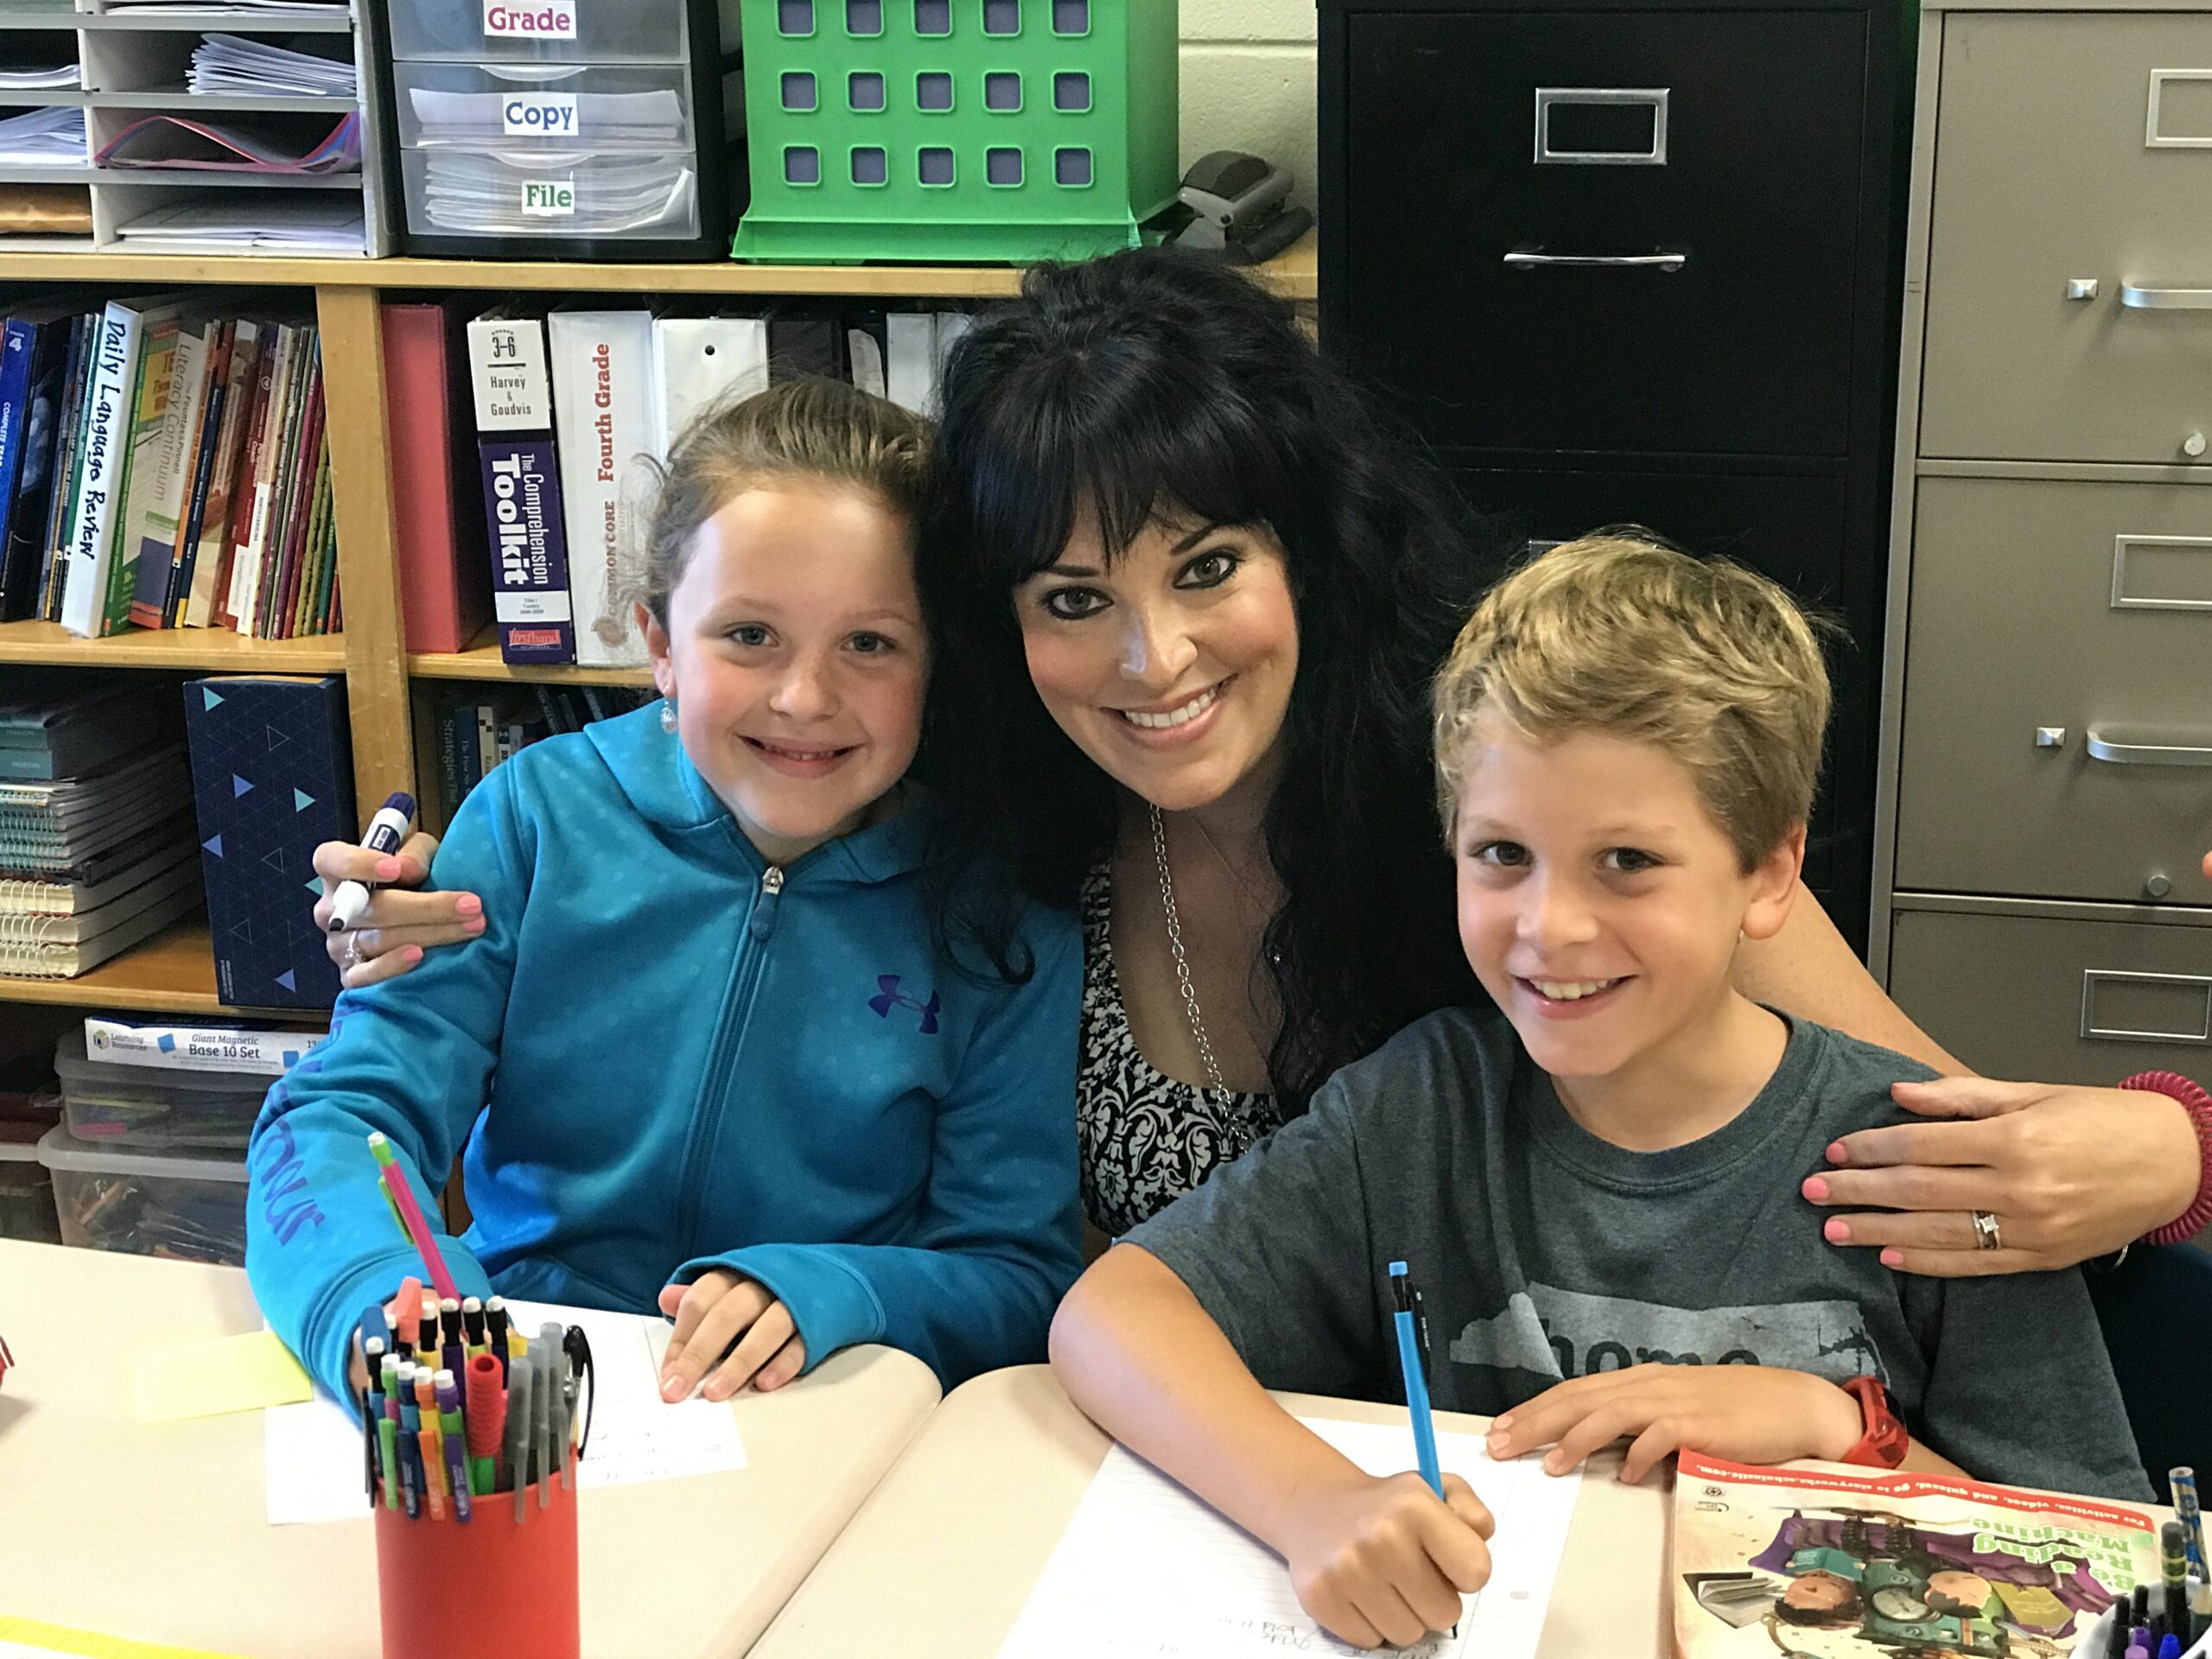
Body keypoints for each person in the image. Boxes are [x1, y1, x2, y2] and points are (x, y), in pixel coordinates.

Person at [307, 248, 2208, 1271]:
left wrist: (2166, 1143)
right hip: (1142, 1479)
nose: (1154, 661)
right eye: (1073, 599)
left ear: (1310, 544)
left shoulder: (1506, 803)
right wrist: (424, 900)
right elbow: (736, 797)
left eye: (1208, 566)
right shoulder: (997, 835)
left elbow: (1928, 1123)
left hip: (1500, 1469)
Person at [1047, 536, 2150, 1652]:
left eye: (1627, 861)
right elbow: (1112, 1314)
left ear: (1769, 873)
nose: (1551, 927)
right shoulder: (1421, 1110)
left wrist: (1842, 1436)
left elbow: (2105, 1581)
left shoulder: (1928, 1163)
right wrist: (1312, 1504)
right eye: (1502, 854)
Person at [247, 379, 1083, 1406]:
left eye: (869, 643)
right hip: (520, 1374)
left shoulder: (999, 917)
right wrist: (378, 1300)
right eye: (749, 635)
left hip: (816, 1405)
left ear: (936, 665)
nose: (804, 697)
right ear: (658, 646)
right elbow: (341, 1113)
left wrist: (840, 1289)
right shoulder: (534, 820)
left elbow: (1018, 1276)